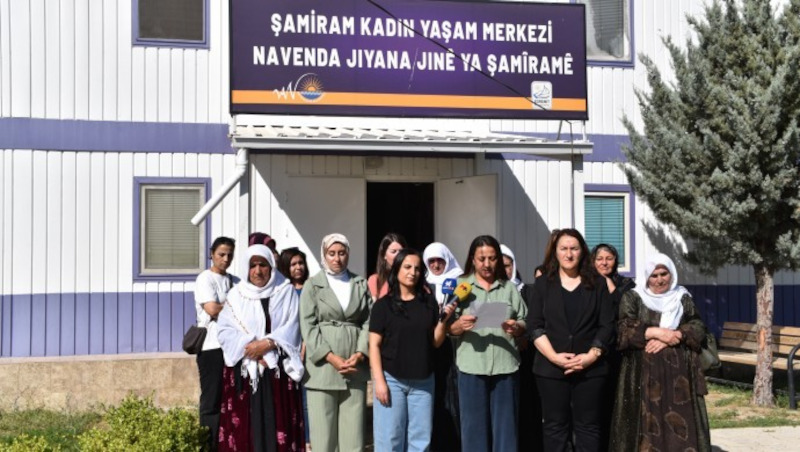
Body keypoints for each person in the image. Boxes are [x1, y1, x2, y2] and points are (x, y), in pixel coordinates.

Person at [610, 253, 711, 452]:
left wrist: (676, 335)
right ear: (647, 277)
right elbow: (623, 329)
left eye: (664, 274)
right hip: (642, 374)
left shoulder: (682, 297)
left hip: (679, 376)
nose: (659, 280)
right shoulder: (633, 297)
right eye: (654, 275)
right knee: (646, 422)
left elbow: (698, 326)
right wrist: (656, 333)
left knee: (679, 420)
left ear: (671, 274)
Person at [527, 229, 615, 452]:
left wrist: (591, 356)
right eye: (563, 249)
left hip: (590, 369)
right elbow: (535, 325)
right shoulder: (543, 284)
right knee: (555, 427)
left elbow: (607, 325)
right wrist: (554, 357)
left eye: (574, 248)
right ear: (555, 252)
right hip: (550, 369)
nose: (569, 254)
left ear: (582, 251)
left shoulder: (598, 283)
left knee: (588, 427)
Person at [217, 244, 305, 452]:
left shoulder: (285, 291)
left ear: (271, 266)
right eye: (253, 265)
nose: (258, 271)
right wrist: (252, 349)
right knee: (246, 429)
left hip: (277, 370)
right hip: (245, 370)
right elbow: (225, 331)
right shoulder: (236, 295)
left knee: (278, 424)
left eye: (263, 265)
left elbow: (293, 326)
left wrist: (268, 345)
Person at [369, 249, 456, 452]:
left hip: (423, 382)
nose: (413, 272)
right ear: (397, 269)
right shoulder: (383, 306)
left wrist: (443, 321)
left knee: (420, 442)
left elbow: (435, 342)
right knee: (390, 440)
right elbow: (374, 345)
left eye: (417, 268)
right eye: (407, 267)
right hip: (392, 380)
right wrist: (379, 381)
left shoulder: (429, 302)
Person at [447, 235, 528, 452]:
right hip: (472, 367)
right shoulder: (461, 286)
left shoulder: (508, 288)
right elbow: (447, 327)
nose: (487, 264)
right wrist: (458, 326)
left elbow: (525, 320)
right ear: (472, 259)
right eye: (481, 259)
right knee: (473, 431)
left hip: (506, 367)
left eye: (492, 258)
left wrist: (517, 327)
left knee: (506, 431)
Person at [299, 233, 371, 452]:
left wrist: (360, 353)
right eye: (331, 253)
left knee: (354, 438)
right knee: (323, 439)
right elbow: (308, 326)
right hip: (322, 369)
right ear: (324, 255)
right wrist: (330, 357)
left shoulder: (360, 284)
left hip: (354, 368)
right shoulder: (313, 285)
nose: (337, 258)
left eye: (341, 253)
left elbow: (369, 321)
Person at [194, 236, 238, 452]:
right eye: (221, 254)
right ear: (212, 254)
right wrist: (235, 309)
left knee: (229, 398)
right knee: (211, 399)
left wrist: (226, 308)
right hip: (211, 347)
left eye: (229, 255)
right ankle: (208, 445)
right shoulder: (205, 278)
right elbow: (211, 309)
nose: (225, 259)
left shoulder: (235, 281)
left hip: (232, 347)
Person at [590, 243, 635, 449]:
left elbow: (625, 311)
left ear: (616, 261)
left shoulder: (626, 284)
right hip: (594, 348)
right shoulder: (586, 282)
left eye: (609, 258)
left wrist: (609, 285)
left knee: (615, 398)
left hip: (618, 350)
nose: (604, 263)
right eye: (599, 259)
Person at [501, 243, 544, 452]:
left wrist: (523, 335)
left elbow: (534, 320)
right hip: (499, 360)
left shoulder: (527, 290)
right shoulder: (487, 293)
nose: (504, 270)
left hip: (526, 360)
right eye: (500, 266)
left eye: (507, 265)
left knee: (527, 409)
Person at [422, 242, 463, 451]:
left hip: (454, 348)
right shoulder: (422, 284)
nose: (436, 265)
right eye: (432, 261)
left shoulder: (459, 281)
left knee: (454, 399)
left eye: (440, 260)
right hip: (430, 350)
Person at [277, 247, 311, 451]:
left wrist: (305, 344)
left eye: (301, 263)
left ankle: (308, 440)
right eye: (293, 264)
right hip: (286, 351)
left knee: (306, 399)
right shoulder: (281, 290)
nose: (298, 267)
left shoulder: (311, 288)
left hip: (307, 350)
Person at [368, 233, 408, 301]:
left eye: (401, 251)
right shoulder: (375, 280)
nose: (398, 255)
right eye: (393, 251)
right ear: (384, 255)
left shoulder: (411, 278)